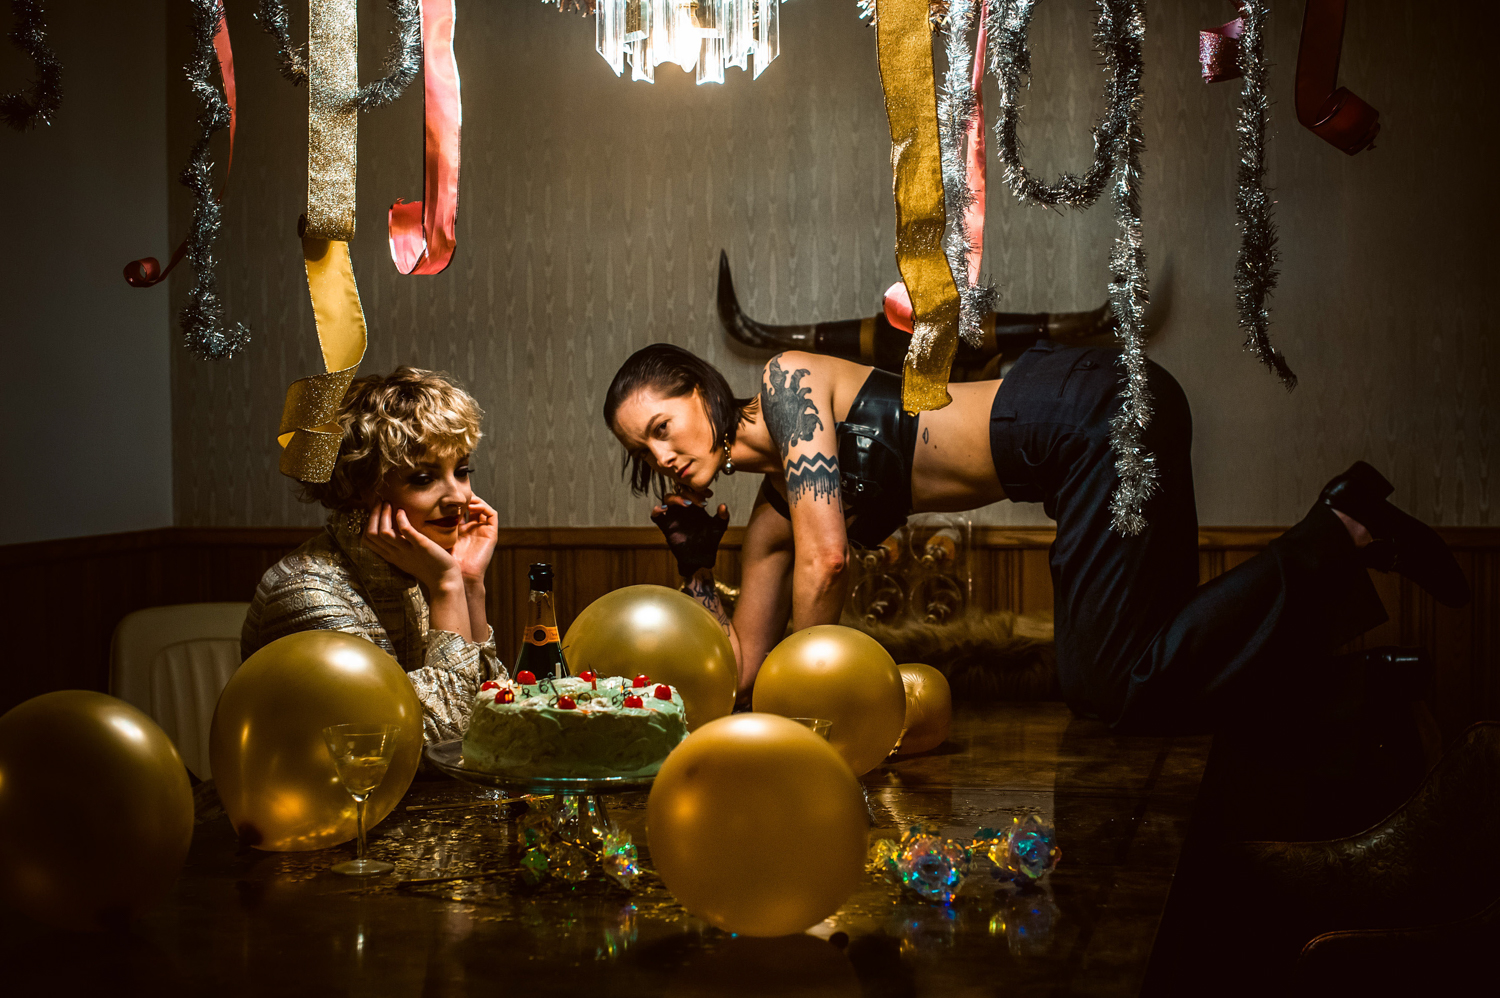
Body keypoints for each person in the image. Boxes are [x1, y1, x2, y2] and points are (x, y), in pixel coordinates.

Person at [603, 342, 1470, 733]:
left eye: (664, 422)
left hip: (1087, 410)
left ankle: (1340, 533)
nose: (665, 453)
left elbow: (829, 559)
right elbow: (741, 673)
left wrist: (807, 729)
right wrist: (695, 567)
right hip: (1088, 446)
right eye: (644, 449)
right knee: (1152, 664)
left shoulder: (788, 379)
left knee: (1100, 682)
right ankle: (1363, 678)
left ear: (698, 387)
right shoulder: (768, 519)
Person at [243, 366, 502, 742]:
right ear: (357, 487)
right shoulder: (303, 592)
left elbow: (495, 717)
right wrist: (447, 588)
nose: (460, 496)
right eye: (423, 478)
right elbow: (435, 742)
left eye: (462, 471)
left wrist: (468, 582)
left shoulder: (420, 565)